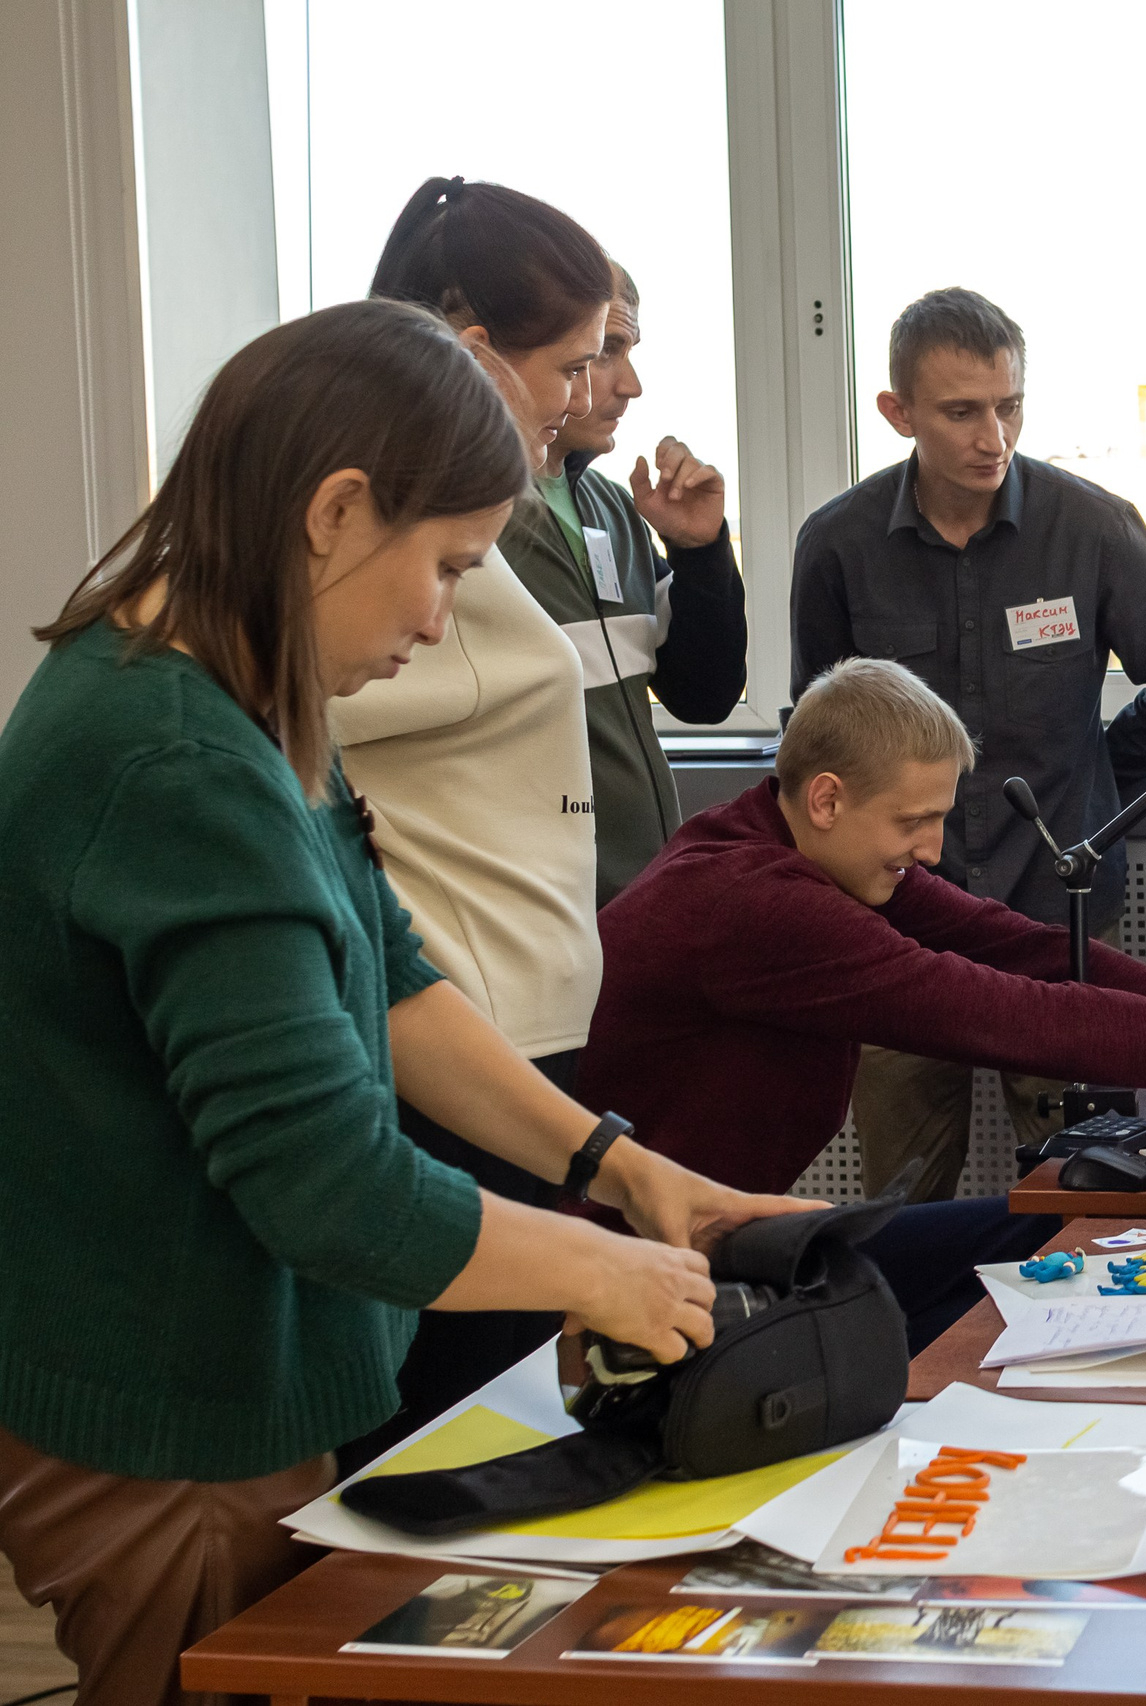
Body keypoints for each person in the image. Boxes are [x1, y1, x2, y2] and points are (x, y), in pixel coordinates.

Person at [0, 300, 814, 1706]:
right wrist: (604, 1270)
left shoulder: (240, 695)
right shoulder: (177, 760)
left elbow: (392, 981)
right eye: (443, 566)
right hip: (173, 1410)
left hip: (236, 1380)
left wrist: (619, 1169)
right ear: (334, 510)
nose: (442, 621)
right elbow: (332, 1185)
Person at [580, 657, 1146, 1340]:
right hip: (630, 1270)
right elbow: (1004, 1013)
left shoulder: (801, 843)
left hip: (725, 1235)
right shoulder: (756, 902)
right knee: (1022, 1270)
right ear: (828, 797)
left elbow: (1030, 952)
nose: (932, 846)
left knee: (1048, 1227)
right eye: (914, 822)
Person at [788, 287, 1146, 1200]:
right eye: (961, 411)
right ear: (897, 412)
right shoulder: (839, 544)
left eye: (1009, 405)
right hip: (897, 925)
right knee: (901, 1201)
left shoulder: (1092, 527)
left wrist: (1098, 780)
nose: (993, 436)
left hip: (1056, 916)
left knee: (1093, 1190)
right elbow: (814, 740)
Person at [336, 175, 616, 1464]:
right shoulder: (376, 548)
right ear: (465, 341)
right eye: (571, 361)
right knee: (453, 1441)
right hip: (457, 1017)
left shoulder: (479, 514)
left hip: (505, 1024)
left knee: (493, 1423)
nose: (586, 391)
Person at [507, 259, 748, 906]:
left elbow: (703, 695)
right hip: (534, 909)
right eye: (606, 351)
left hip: (639, 900)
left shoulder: (613, 510)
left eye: (628, 351)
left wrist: (699, 552)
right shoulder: (473, 519)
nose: (631, 385)